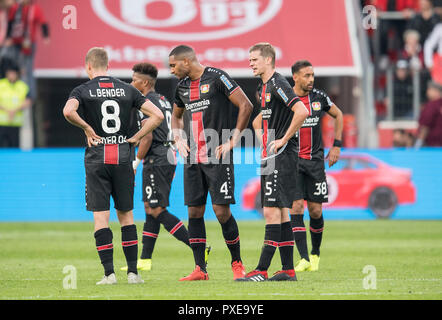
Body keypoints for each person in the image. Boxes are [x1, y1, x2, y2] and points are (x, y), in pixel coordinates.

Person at [62, 47, 164, 285]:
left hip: (97, 157)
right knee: (127, 216)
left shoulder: (82, 90)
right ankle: (132, 274)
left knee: (101, 218)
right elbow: (157, 115)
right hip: (123, 156)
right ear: (108, 66)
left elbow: (68, 111)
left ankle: (109, 275)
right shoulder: (128, 89)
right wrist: (138, 136)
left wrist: (87, 128)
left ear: (89, 66)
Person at [169, 45, 253, 281]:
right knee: (194, 211)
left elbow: (246, 105)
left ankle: (237, 263)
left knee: (221, 211)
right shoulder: (182, 87)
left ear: (186, 61)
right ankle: (200, 269)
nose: (171, 71)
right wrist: (177, 138)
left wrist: (234, 139)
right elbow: (176, 117)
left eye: (173, 65)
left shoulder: (217, 78)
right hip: (192, 158)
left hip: (218, 155)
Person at [120, 62, 210, 272]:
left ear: (144, 82)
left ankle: (198, 246)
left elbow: (147, 135)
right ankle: (144, 260)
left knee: (156, 208)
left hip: (157, 158)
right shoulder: (163, 100)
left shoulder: (146, 102)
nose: (131, 83)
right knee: (151, 208)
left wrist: (135, 162)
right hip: (167, 155)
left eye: (134, 80)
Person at [236, 43, 309, 282]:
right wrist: (266, 143)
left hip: (282, 155)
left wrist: (282, 140)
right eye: (250, 60)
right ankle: (288, 269)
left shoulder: (278, 83)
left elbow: (302, 111)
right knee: (281, 211)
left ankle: (261, 269)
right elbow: (258, 122)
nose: (251, 63)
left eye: (254, 59)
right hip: (272, 155)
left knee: (270, 210)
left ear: (268, 60)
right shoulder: (264, 87)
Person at [289, 60, 344, 273]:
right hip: (292, 162)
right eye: (306, 75)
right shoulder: (287, 98)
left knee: (315, 209)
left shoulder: (319, 98)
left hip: (314, 163)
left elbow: (338, 115)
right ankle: (303, 258)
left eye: (312, 75)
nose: (311, 79)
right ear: (295, 77)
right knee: (295, 208)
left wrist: (337, 146)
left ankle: (315, 254)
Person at [4, 0, 50, 99]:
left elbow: (43, 23)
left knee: (27, 69)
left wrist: (46, 36)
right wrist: (8, 37)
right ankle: (13, 91)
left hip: (28, 44)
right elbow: (10, 23)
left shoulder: (34, 9)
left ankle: (29, 94)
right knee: (12, 66)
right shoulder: (15, 8)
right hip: (15, 43)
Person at [0, 61, 31, 147]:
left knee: (14, 148)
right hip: (1, 123)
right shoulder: (1, 84)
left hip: (15, 123)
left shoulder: (22, 86)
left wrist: (14, 111)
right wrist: (7, 110)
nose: (12, 75)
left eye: (14, 73)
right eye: (10, 73)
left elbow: (28, 101)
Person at [415, 80, 442, 147]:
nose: (427, 92)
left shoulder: (432, 105)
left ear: (436, 91)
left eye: (429, 89)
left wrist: (419, 142)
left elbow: (425, 126)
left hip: (434, 144)